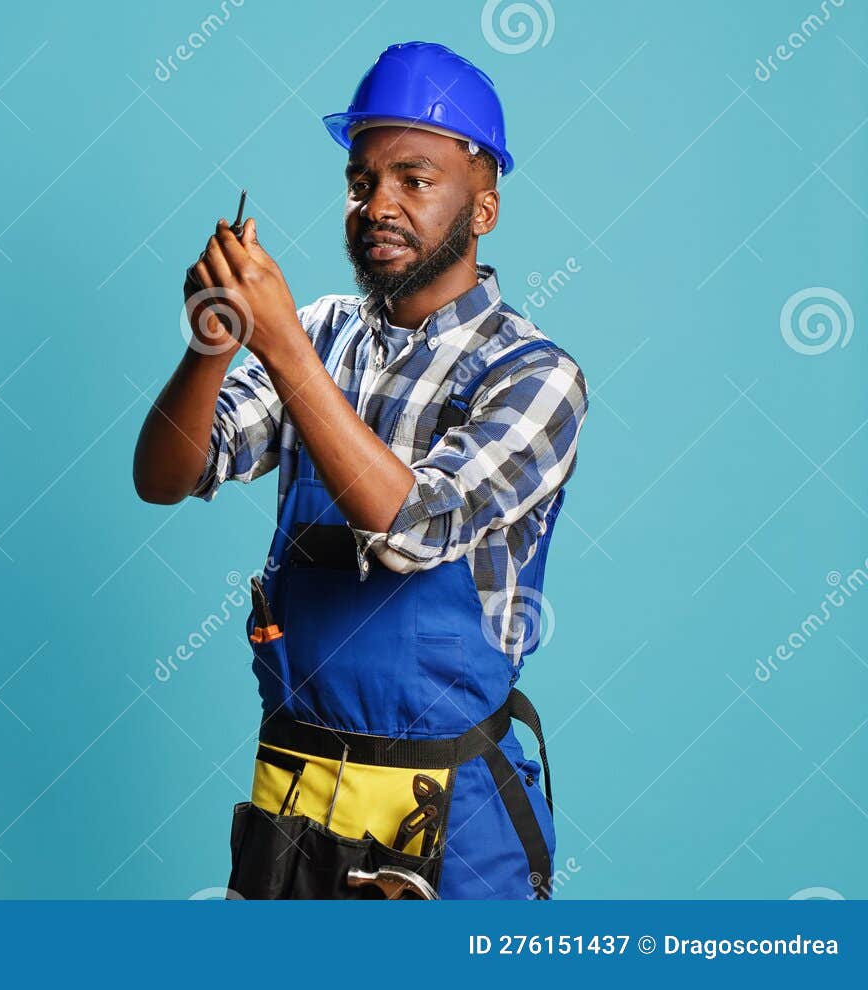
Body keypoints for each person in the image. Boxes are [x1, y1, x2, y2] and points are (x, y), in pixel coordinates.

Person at [131, 41, 589, 899]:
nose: (378, 205)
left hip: (448, 820)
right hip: (297, 802)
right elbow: (167, 474)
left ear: (483, 205)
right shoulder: (323, 332)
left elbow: (416, 528)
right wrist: (210, 346)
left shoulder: (532, 376)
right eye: (361, 181)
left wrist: (280, 348)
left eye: (414, 179)